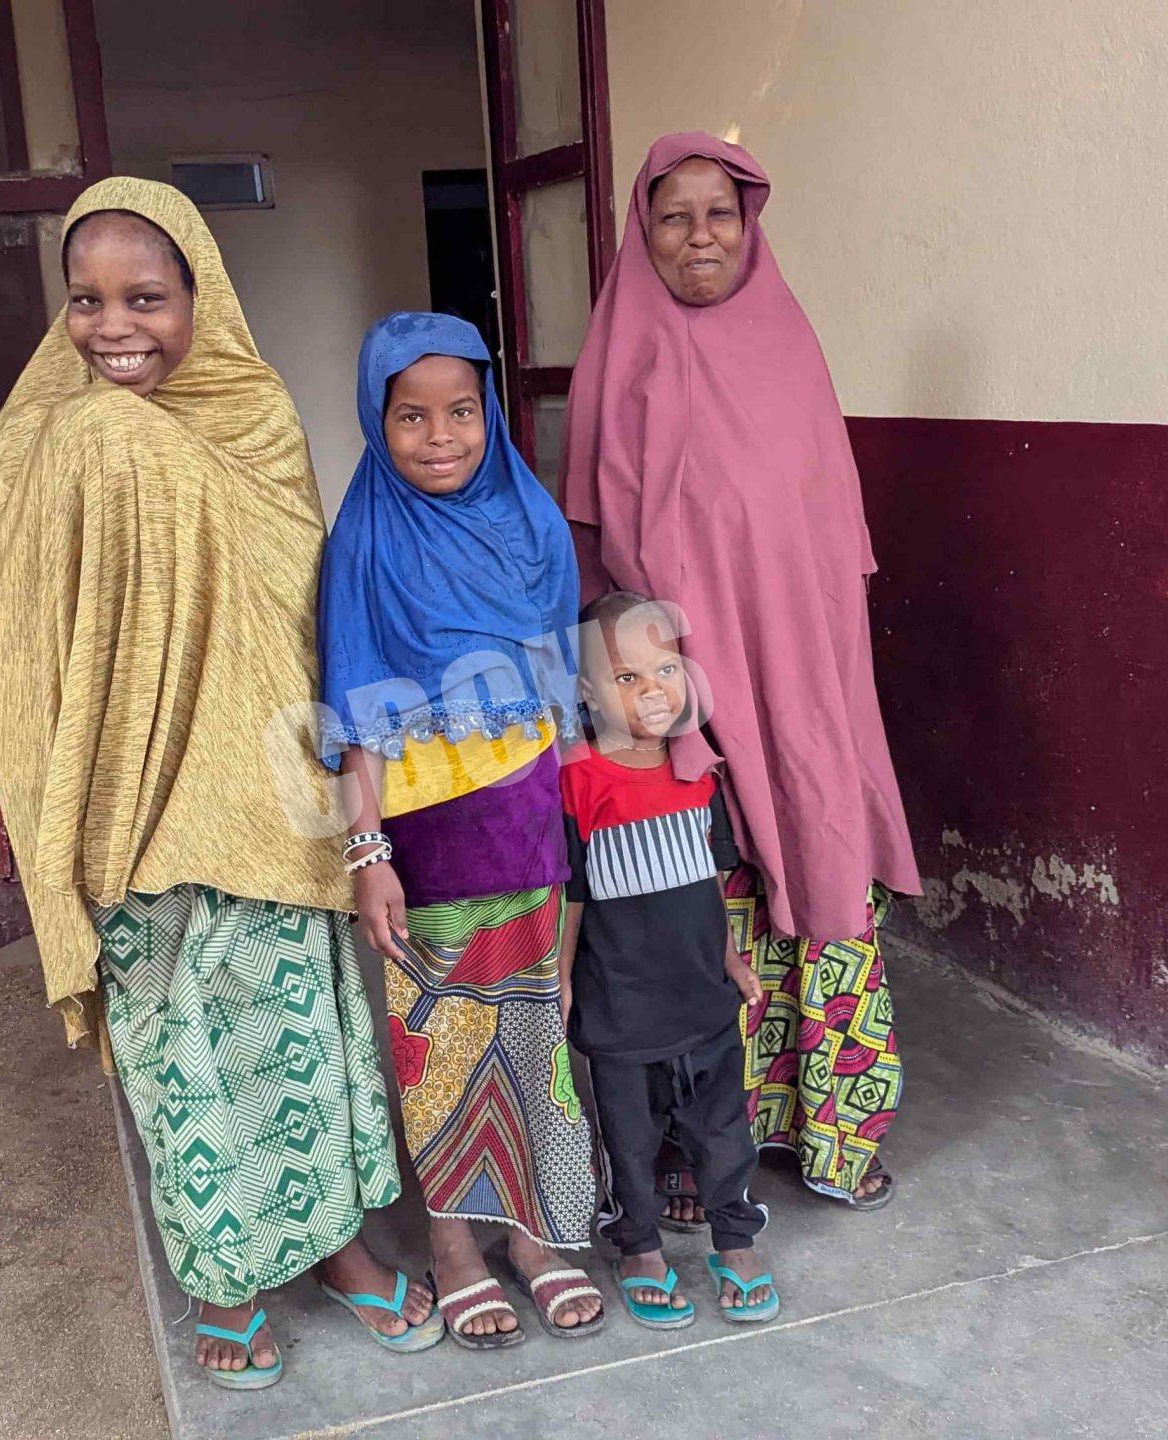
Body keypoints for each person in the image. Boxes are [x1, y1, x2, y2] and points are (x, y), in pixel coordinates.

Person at [0, 179, 439, 1391]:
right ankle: (222, 1275)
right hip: (131, 797)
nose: (116, 327)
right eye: (86, 301)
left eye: (147, 297)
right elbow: (20, 616)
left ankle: (333, 1250)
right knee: (188, 1052)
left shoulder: (257, 411)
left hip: (260, 778)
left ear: (201, 297)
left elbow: (296, 592)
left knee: (300, 1033)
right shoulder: (56, 430)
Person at [559, 133, 925, 1216]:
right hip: (680, 697)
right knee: (684, 911)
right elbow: (592, 539)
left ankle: (831, 1132)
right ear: (644, 232)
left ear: (749, 223)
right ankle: (690, 1151)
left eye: (718, 213)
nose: (698, 236)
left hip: (802, 682)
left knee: (816, 860)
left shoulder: (789, 345)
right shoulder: (618, 357)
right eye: (673, 217)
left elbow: (830, 534)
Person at [317, 312, 604, 1347]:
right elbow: (353, 704)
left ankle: (531, 1235)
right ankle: (451, 1245)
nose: (439, 436)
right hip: (425, 839)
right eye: (409, 416)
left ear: (488, 413)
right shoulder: (366, 535)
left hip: (523, 821)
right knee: (437, 1044)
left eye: (460, 413)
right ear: (375, 419)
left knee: (533, 1029)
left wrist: (568, 827)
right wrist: (367, 853)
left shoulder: (527, 522)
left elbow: (559, 694)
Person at [561, 590, 779, 1327]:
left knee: (724, 1128)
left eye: (665, 668)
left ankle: (735, 1238)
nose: (652, 688)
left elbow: (714, 883)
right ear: (589, 692)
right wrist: (559, 982)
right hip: (621, 1006)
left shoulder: (697, 771)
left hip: (702, 998)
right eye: (626, 677)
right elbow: (574, 896)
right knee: (631, 1136)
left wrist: (732, 959)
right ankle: (640, 1247)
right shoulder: (580, 779)